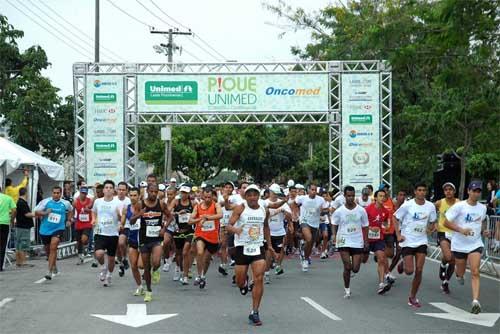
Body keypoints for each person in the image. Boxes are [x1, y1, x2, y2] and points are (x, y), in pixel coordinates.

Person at [227, 184, 273, 326]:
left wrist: (269, 245)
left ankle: (255, 312)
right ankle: (243, 283)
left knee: (259, 277)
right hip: (242, 247)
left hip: (257, 247)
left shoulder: (264, 210)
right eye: (249, 195)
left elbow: (265, 227)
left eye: (255, 194)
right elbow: (228, 225)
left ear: (259, 196)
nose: (252, 197)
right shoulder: (240, 208)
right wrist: (236, 230)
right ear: (245, 196)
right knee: (240, 281)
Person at [444, 180, 488, 314]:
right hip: (459, 245)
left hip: (475, 244)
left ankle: (475, 301)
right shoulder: (459, 206)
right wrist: (460, 229)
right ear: (468, 191)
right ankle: (458, 275)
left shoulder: (482, 207)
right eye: (474, 191)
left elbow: (481, 222)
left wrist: (483, 231)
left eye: (478, 191)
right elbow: (446, 222)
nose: (476, 193)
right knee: (460, 272)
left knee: (475, 271)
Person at [394, 182, 437, 308]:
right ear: (415, 192)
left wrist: (431, 228)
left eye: (424, 190)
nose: (422, 192)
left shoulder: (430, 206)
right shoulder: (408, 205)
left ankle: (412, 297)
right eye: (419, 190)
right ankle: (403, 262)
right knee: (409, 271)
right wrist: (398, 235)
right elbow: (395, 218)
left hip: (421, 241)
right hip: (408, 240)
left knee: (419, 270)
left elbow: (432, 222)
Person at [131, 183, 170, 302]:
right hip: (144, 239)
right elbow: (132, 221)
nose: (154, 194)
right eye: (151, 191)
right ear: (147, 191)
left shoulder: (161, 204)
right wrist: (139, 214)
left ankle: (157, 269)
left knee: (156, 261)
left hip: (156, 238)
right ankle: (148, 290)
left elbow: (170, 217)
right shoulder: (140, 204)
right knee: (146, 267)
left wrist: (164, 228)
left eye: (156, 192)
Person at [332, 186, 368, 299]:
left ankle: (353, 263)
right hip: (343, 240)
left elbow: (365, 225)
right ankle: (347, 289)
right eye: (348, 196)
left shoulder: (361, 210)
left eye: (352, 195)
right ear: (344, 196)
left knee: (355, 269)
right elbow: (334, 223)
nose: (351, 198)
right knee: (347, 266)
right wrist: (333, 235)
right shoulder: (339, 211)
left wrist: (366, 240)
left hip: (357, 240)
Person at [35, 186, 72, 280]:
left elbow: (71, 210)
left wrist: (69, 220)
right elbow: (36, 212)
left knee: (53, 246)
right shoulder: (45, 202)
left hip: (58, 228)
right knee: (48, 250)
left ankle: (49, 271)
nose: (56, 195)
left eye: (58, 193)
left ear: (61, 193)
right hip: (45, 229)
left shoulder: (65, 203)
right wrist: (45, 213)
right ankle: (53, 265)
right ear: (52, 193)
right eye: (54, 193)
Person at [190, 187, 223, 289]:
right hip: (200, 234)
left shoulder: (215, 205)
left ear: (213, 196)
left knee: (207, 259)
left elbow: (220, 215)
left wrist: (207, 217)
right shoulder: (198, 206)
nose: (208, 199)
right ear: (202, 196)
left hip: (213, 237)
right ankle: (199, 275)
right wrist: (200, 218)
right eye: (205, 197)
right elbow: (190, 220)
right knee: (199, 252)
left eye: (209, 197)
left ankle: (203, 276)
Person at [92, 180, 122, 287]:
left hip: (113, 233)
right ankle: (103, 267)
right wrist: (94, 220)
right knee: (99, 253)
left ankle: (109, 274)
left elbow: (121, 217)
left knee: (111, 258)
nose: (108, 189)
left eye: (110, 187)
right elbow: (94, 212)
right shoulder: (98, 202)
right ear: (103, 190)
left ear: (114, 190)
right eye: (106, 187)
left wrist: (119, 220)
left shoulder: (118, 202)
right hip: (100, 232)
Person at [293, 184, 329, 272]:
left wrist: (322, 211)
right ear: (308, 190)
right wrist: (295, 213)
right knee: (308, 239)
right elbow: (294, 203)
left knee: (310, 244)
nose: (314, 191)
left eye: (315, 190)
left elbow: (326, 210)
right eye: (312, 189)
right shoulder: (303, 198)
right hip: (304, 221)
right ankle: (305, 259)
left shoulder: (320, 199)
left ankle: (305, 257)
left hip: (315, 223)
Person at [363, 189, 392, 294]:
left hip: (378, 239)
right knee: (363, 260)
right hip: (366, 238)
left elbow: (384, 223)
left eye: (384, 196)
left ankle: (381, 284)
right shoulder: (367, 209)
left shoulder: (385, 211)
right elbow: (361, 223)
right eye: (380, 196)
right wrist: (370, 228)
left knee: (381, 258)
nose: (382, 198)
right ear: (375, 198)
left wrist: (385, 226)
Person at [434, 182, 459, 294]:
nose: (448, 191)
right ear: (444, 192)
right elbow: (431, 211)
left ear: (454, 191)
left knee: (453, 260)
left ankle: (446, 282)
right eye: (446, 190)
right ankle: (443, 264)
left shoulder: (459, 203)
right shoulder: (439, 203)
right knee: (448, 256)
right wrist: (434, 223)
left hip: (455, 233)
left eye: (450, 189)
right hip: (443, 232)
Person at [169, 185, 196, 283]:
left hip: (189, 231)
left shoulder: (193, 203)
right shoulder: (176, 202)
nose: (183, 194)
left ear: (188, 194)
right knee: (179, 253)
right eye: (182, 192)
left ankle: (185, 276)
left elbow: (198, 213)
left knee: (185, 252)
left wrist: (191, 216)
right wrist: (177, 213)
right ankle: (180, 269)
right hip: (178, 230)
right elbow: (168, 212)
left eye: (185, 193)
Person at [265, 184, 292, 281]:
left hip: (280, 231)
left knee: (280, 251)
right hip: (268, 232)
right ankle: (266, 273)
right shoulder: (265, 203)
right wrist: (278, 210)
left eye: (277, 193)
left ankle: (277, 266)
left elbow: (290, 216)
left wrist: (285, 213)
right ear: (270, 192)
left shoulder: (283, 203)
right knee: (268, 252)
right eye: (274, 193)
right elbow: (265, 216)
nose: (276, 195)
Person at [121, 187, 144, 296]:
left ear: (139, 196)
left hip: (143, 239)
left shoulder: (143, 207)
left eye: (135, 195)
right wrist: (120, 225)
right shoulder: (126, 208)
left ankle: (149, 270)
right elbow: (123, 221)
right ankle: (139, 286)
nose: (133, 197)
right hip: (133, 239)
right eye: (131, 195)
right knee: (134, 266)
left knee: (141, 265)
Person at [73, 186, 93, 264]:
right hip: (79, 223)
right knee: (78, 241)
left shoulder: (90, 201)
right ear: (80, 193)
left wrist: (89, 210)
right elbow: (72, 210)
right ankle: (80, 255)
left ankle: (86, 246)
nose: (83, 195)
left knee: (84, 239)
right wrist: (70, 218)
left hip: (87, 223)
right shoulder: (75, 201)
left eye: (85, 193)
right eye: (82, 193)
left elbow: (92, 209)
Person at [15, 188, 35, 267]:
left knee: (18, 244)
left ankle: (18, 261)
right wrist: (36, 214)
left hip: (20, 225)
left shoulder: (19, 202)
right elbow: (27, 214)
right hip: (24, 226)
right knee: (23, 243)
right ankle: (23, 261)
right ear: (26, 193)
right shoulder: (22, 203)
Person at [115, 182, 131, 277]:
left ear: (126, 191)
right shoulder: (113, 200)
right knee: (117, 248)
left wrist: (121, 217)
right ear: (117, 190)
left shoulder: (129, 201)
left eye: (123, 190)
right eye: (119, 189)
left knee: (121, 243)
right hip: (114, 227)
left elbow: (129, 215)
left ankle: (125, 258)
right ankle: (121, 264)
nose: (121, 192)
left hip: (126, 226)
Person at [0, 186, 17, 271]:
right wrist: (12, 220)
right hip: (4, 223)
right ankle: (0, 266)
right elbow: (14, 210)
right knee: (2, 245)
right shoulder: (8, 198)